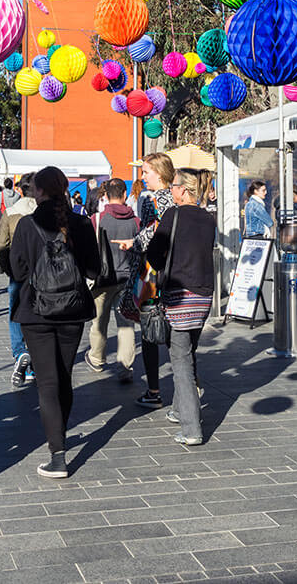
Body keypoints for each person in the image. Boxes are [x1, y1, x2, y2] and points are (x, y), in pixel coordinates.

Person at [8, 166, 99, 477]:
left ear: (39, 191)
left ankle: (57, 452)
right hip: (73, 310)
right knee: (64, 375)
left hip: (36, 311)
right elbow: (93, 269)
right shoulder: (81, 223)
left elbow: (18, 272)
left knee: (47, 382)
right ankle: (59, 436)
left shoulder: (26, 225)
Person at [144, 169, 217, 446]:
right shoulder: (209, 220)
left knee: (180, 360)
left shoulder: (173, 215)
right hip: (203, 293)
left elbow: (154, 253)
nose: (171, 191)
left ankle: (191, 428)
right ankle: (179, 409)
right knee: (188, 351)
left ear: (184, 190)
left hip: (178, 293)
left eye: (174, 186)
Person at [133, 153, 177, 408]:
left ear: (158, 174)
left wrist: (134, 242)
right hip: (174, 273)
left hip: (151, 274)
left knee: (149, 330)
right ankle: (190, 384)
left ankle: (153, 390)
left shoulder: (152, 201)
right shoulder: (178, 198)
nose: (142, 176)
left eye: (146, 172)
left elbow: (147, 238)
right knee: (175, 333)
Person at [89, 178, 138, 382]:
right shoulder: (136, 221)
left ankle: (97, 358)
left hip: (103, 279)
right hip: (127, 277)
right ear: (125, 195)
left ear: (106, 196)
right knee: (126, 323)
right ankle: (125, 366)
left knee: (99, 321)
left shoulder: (98, 219)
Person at [0, 172, 38, 389]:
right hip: (42, 274)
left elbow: (1, 245)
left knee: (15, 313)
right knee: (38, 314)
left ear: (20, 190)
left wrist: (6, 268)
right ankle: (34, 360)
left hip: (17, 272)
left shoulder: (11, 212)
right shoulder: (44, 212)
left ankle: (20, 352)